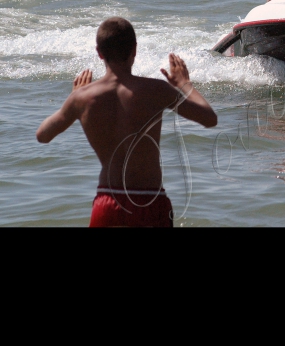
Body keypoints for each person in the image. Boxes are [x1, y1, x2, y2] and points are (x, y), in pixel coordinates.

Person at [36, 17, 217, 228]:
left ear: (99, 52)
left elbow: (43, 135)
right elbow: (209, 119)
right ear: (135, 49)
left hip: (107, 203)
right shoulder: (156, 90)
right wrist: (185, 85)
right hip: (150, 202)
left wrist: (74, 98)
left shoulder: (82, 98)